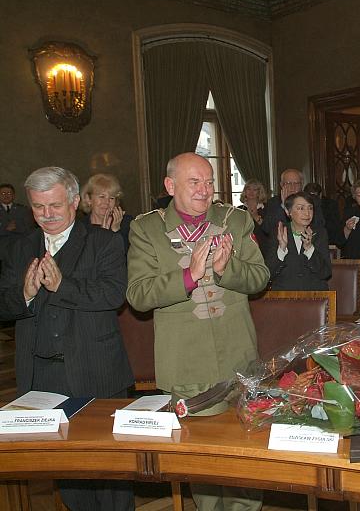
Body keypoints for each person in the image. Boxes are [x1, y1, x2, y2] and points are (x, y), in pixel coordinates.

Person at [126, 152, 269, 511]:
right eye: (195, 182)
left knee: (246, 459)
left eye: (209, 182)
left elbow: (260, 277)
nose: (205, 190)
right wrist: (188, 275)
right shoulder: (147, 229)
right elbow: (138, 295)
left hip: (239, 360)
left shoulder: (236, 221)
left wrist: (226, 268)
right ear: (170, 186)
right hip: (187, 366)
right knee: (203, 466)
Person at [0, 167, 134, 511]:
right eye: (38, 207)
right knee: (70, 479)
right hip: (43, 378)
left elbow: (113, 294)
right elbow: (4, 303)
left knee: (111, 477)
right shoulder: (20, 247)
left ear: (75, 201)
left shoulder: (103, 241)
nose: (46, 215)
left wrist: (62, 286)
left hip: (97, 373)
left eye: (55, 206)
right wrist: (25, 295)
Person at [262, 191, 331, 290]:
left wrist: (310, 249)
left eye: (310, 208)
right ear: (288, 211)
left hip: (315, 298)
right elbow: (268, 274)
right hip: (284, 297)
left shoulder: (320, 233)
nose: (307, 213)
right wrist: (281, 249)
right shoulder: (278, 233)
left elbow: (326, 273)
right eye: (300, 208)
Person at [260, 169, 324, 238]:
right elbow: (267, 228)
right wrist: (283, 206)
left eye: (296, 183)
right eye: (288, 183)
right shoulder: (273, 202)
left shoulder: (312, 201)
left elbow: (319, 225)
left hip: (306, 240)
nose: (292, 187)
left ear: (302, 184)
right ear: (281, 185)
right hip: (280, 243)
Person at [80, 173, 134, 252]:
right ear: (88, 199)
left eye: (111, 198)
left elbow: (128, 257)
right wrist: (104, 235)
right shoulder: (80, 228)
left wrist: (116, 231)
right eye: (102, 197)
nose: (106, 202)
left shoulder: (127, 223)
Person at [237, 179, 267, 245]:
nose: (251, 192)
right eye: (249, 189)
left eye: (254, 189)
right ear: (245, 191)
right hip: (244, 245)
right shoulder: (239, 209)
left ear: (259, 192)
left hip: (263, 245)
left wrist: (256, 217)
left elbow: (269, 230)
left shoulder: (267, 208)